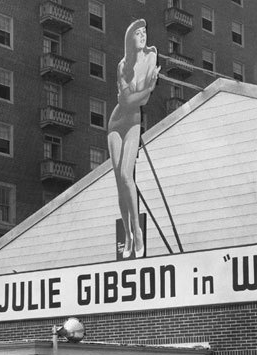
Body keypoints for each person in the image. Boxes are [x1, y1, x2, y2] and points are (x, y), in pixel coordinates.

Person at [108, 19, 160, 259]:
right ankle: (127, 235)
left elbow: (141, 103)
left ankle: (137, 231)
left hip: (133, 122)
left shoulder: (151, 56)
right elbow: (126, 101)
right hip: (116, 122)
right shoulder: (122, 64)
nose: (143, 36)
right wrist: (147, 88)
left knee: (127, 176)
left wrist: (145, 93)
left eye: (144, 32)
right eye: (138, 33)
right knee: (118, 180)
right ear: (130, 38)